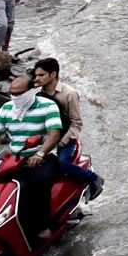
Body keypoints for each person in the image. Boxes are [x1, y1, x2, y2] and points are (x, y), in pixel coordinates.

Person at [0, 79, 62, 240]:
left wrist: (39, 154)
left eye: (19, 93)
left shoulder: (48, 106)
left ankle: (42, 226)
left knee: (37, 182)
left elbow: (54, 134)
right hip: (14, 160)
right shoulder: (6, 109)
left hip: (42, 158)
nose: (15, 97)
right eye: (12, 93)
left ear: (30, 91)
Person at [28, 58, 102, 198]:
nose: (37, 78)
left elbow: (76, 123)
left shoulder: (69, 94)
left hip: (65, 137)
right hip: (44, 136)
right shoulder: (36, 93)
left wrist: (62, 142)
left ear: (53, 74)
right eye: (36, 75)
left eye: (41, 75)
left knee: (63, 164)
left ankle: (93, 178)